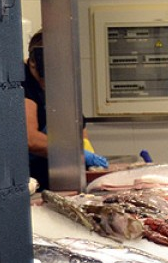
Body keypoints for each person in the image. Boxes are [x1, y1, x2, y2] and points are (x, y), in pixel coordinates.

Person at [22, 30, 107, 186]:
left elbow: (79, 129)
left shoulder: (61, 81)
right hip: (29, 180)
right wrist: (72, 151)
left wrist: (86, 154)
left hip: (57, 176)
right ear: (33, 62)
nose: (51, 82)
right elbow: (30, 138)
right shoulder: (22, 81)